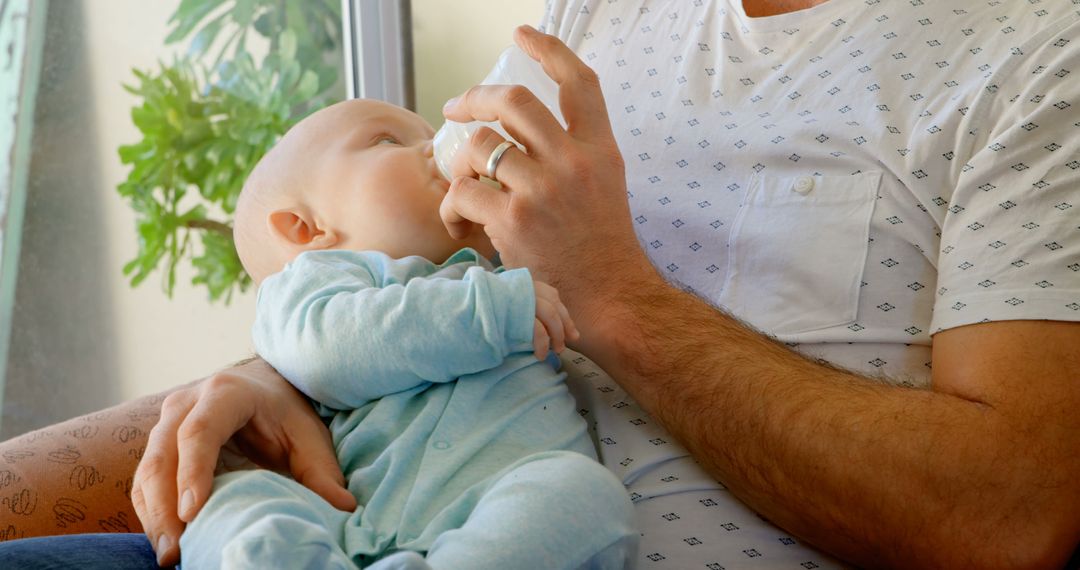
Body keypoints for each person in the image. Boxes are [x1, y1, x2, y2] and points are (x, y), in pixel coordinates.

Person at [1, 1, 1077, 568]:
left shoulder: (1038, 57)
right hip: (359, 524)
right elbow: (426, 262)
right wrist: (282, 375)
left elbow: (1010, 513)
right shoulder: (593, 17)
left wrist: (610, 295)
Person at [178, 97, 637, 569]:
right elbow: (328, 353)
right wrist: (489, 310)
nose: (433, 147)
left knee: (583, 495)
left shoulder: (503, 268)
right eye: (388, 140)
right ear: (305, 229)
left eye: (429, 135)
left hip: (495, 514)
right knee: (235, 499)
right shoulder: (317, 281)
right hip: (353, 525)